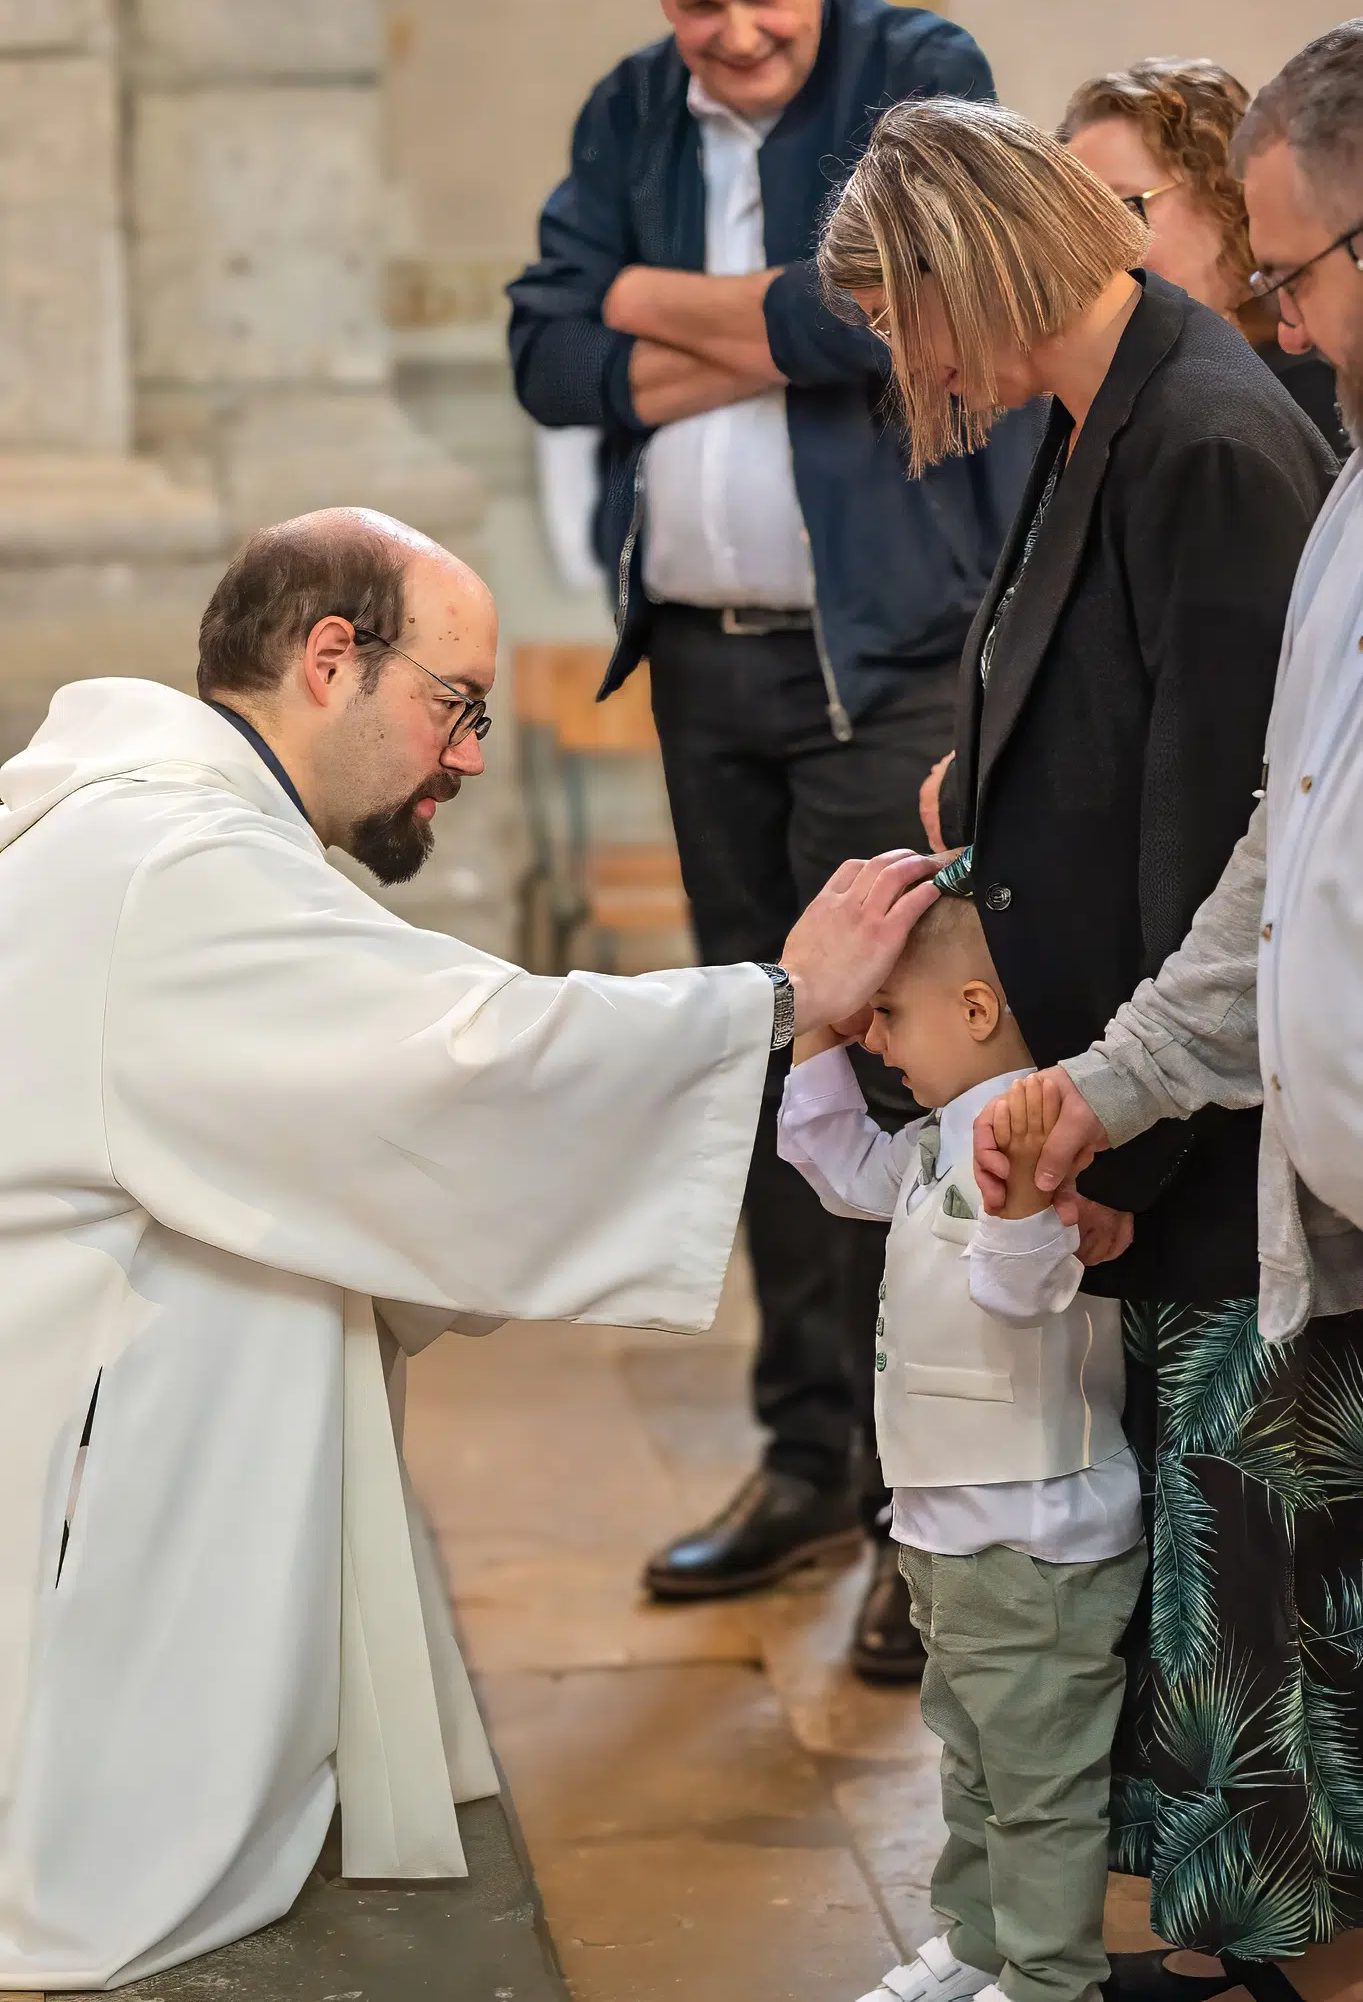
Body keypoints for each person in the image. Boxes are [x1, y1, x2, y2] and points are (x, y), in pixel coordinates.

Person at [0, 504, 942, 1991]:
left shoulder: (152, 821)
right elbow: (463, 1059)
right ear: (330, 660)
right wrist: (778, 999)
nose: (471, 756)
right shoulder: (173, 860)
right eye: (456, 705)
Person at [819, 92, 1339, 1999]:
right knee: (1183, 1603)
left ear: (962, 264)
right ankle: (1199, 1950)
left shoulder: (1201, 432)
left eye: (899, 315)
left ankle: (1260, 1960)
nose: (904, 363)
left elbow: (1230, 829)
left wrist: (1122, 1136)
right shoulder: (1095, 412)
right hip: (1123, 1095)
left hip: (1205, 1123)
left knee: (1244, 1605)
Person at [507, 0, 1039, 1681]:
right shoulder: (627, 110)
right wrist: (757, 327)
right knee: (758, 1054)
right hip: (700, 666)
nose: (733, 33)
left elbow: (871, 318)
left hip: (883, 664)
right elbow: (542, 355)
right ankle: (810, 1458)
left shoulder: (917, 63)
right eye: (698, 2)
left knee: (901, 1062)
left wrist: (646, 305)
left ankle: (916, 1501)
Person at [974, 20, 1363, 2002]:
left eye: (1294, 271)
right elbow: (1273, 860)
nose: (1277, 320)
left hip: (1287, 1184)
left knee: (1282, 1614)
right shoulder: (1340, 494)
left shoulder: (1222, 440)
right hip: (1299, 1165)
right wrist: (1106, 1087)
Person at [779, 862, 1145, 2002]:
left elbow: (1023, 1296)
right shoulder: (941, 1134)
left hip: (1031, 1531)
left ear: (976, 1009)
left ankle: (1048, 1976)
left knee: (1038, 1782)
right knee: (972, 1753)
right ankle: (979, 1940)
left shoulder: (1045, 1127)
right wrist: (814, 1031)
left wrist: (1026, 1203)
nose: (878, 1038)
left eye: (888, 1012)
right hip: (948, 1525)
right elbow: (837, 1166)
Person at [1060, 55, 1351, 461]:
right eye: (1073, 220)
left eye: (1120, 209)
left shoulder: (1311, 387)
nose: (1086, 250)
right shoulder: (1127, 400)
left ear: (1226, 198)